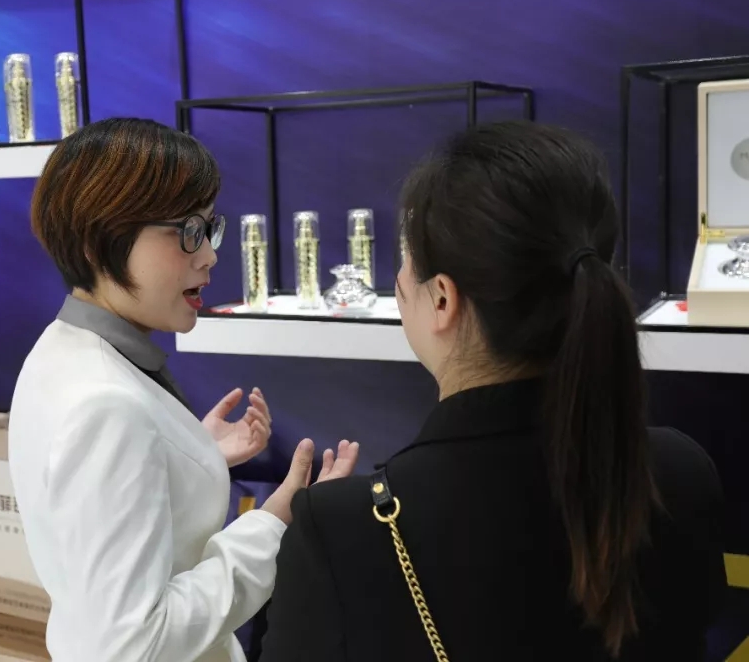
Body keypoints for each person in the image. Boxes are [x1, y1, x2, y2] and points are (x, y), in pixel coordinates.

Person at [259, 120, 727, 661]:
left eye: (407, 257)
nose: (400, 279)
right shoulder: (678, 472)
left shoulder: (342, 528)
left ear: (442, 299)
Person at [8, 117, 360, 662]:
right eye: (187, 231)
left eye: (209, 228)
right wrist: (273, 523)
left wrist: (185, 452)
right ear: (99, 241)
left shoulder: (60, 350)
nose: (209, 255)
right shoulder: (106, 404)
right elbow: (134, 644)